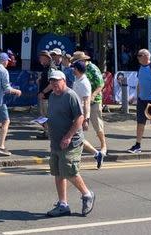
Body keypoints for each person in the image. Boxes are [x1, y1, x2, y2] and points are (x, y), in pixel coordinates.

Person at [46, 69, 95, 218]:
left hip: (70, 142)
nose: (54, 84)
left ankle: (87, 195)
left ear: (64, 81)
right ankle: (63, 204)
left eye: (57, 81)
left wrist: (68, 136)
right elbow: (54, 115)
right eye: (52, 81)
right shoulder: (53, 96)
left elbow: (79, 118)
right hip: (56, 141)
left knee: (69, 171)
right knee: (58, 172)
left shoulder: (70, 95)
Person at [70, 51, 107, 156]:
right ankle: (81, 146)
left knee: (97, 124)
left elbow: (101, 84)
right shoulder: (78, 70)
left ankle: (103, 145)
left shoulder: (92, 68)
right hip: (83, 100)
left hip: (94, 100)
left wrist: (93, 95)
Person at [36, 50, 55, 139]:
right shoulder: (46, 67)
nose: (40, 60)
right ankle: (46, 132)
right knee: (43, 115)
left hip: (48, 96)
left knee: (47, 115)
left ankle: (49, 133)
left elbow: (52, 84)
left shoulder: (51, 68)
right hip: (45, 96)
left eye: (42, 58)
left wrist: (43, 92)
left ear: (47, 58)